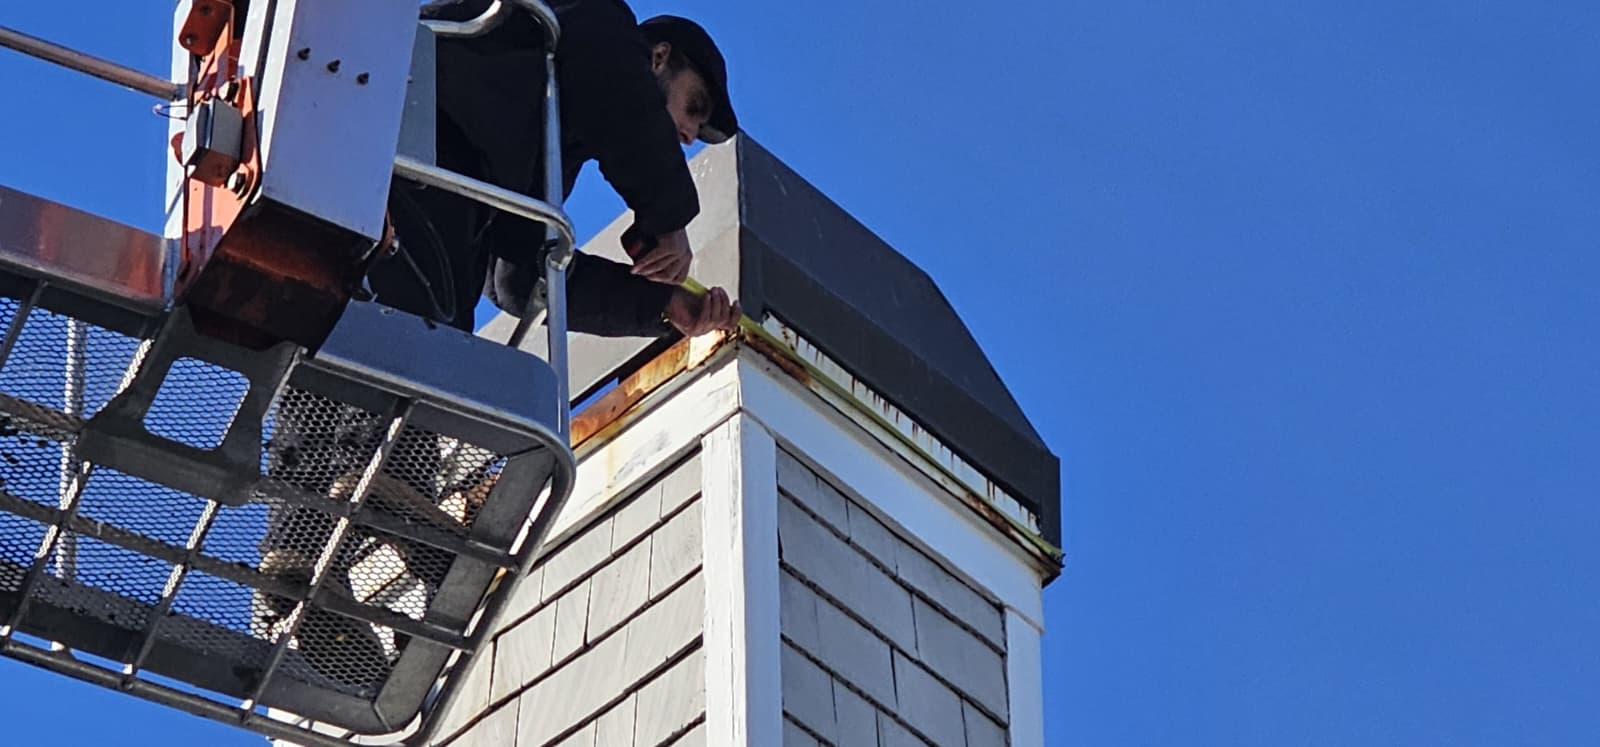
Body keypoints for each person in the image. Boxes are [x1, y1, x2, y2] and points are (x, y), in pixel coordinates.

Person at [370, 0, 743, 338]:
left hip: (414, 256)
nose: (689, 136)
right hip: (392, 148)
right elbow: (616, 83)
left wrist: (661, 305)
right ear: (658, 57)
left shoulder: (543, 148)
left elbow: (519, 278)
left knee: (410, 356)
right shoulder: (597, 23)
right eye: (694, 106)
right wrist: (669, 216)